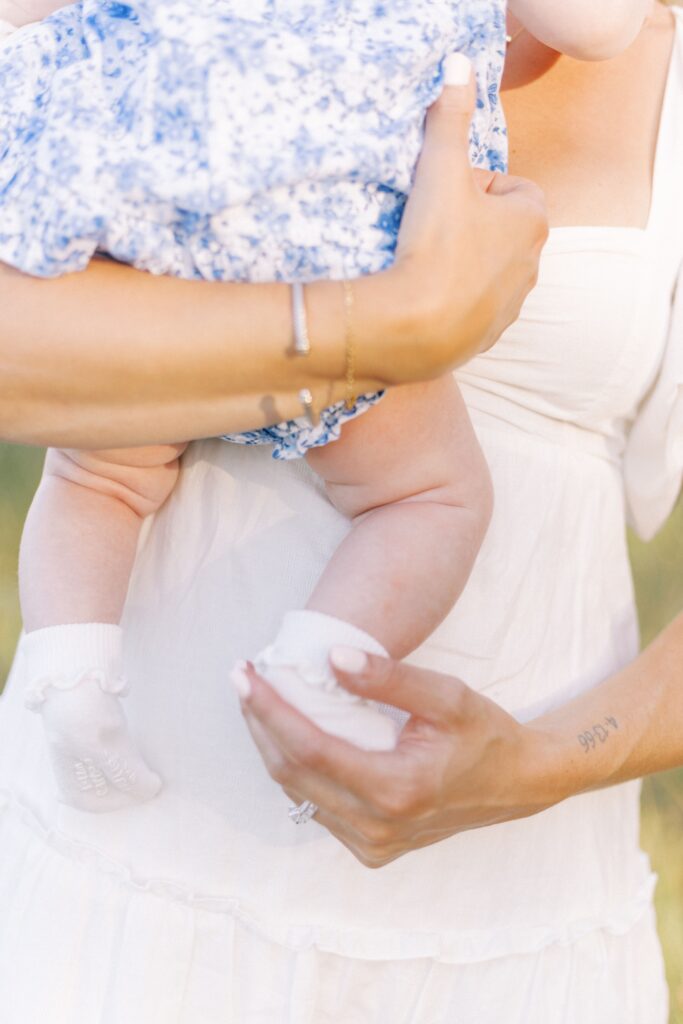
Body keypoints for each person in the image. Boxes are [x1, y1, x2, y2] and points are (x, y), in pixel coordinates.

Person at [3, 8, 679, 1024]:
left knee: (99, 476)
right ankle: (273, 668)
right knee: (391, 491)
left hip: (508, 929)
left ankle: (81, 665)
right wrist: (385, 328)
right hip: (128, 903)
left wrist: (539, 763)